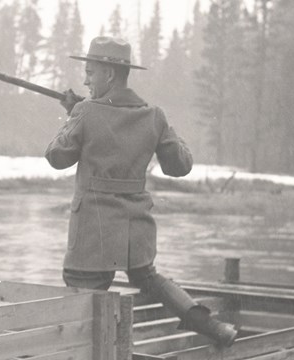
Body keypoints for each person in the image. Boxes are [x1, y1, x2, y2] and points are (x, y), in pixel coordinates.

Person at [45, 36, 237, 347]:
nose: (85, 80)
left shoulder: (85, 112)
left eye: (90, 73)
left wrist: (74, 114)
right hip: (136, 234)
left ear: (109, 74)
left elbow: (56, 157)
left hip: (92, 237)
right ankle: (212, 326)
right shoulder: (153, 115)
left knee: (81, 305)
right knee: (148, 277)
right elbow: (181, 165)